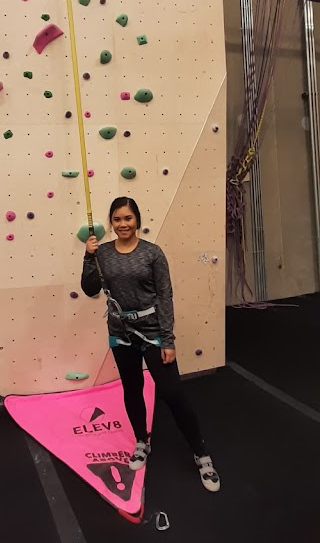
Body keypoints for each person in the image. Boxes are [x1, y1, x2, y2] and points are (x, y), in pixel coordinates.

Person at [81, 197, 220, 492]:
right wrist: (88, 256)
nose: (123, 224)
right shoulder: (102, 253)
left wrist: (167, 339)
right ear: (111, 223)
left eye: (128, 218)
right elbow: (90, 288)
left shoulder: (152, 253)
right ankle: (142, 442)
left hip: (152, 331)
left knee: (172, 394)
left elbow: (165, 296)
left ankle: (201, 453)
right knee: (132, 389)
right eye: (117, 219)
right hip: (121, 333)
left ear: (137, 221)